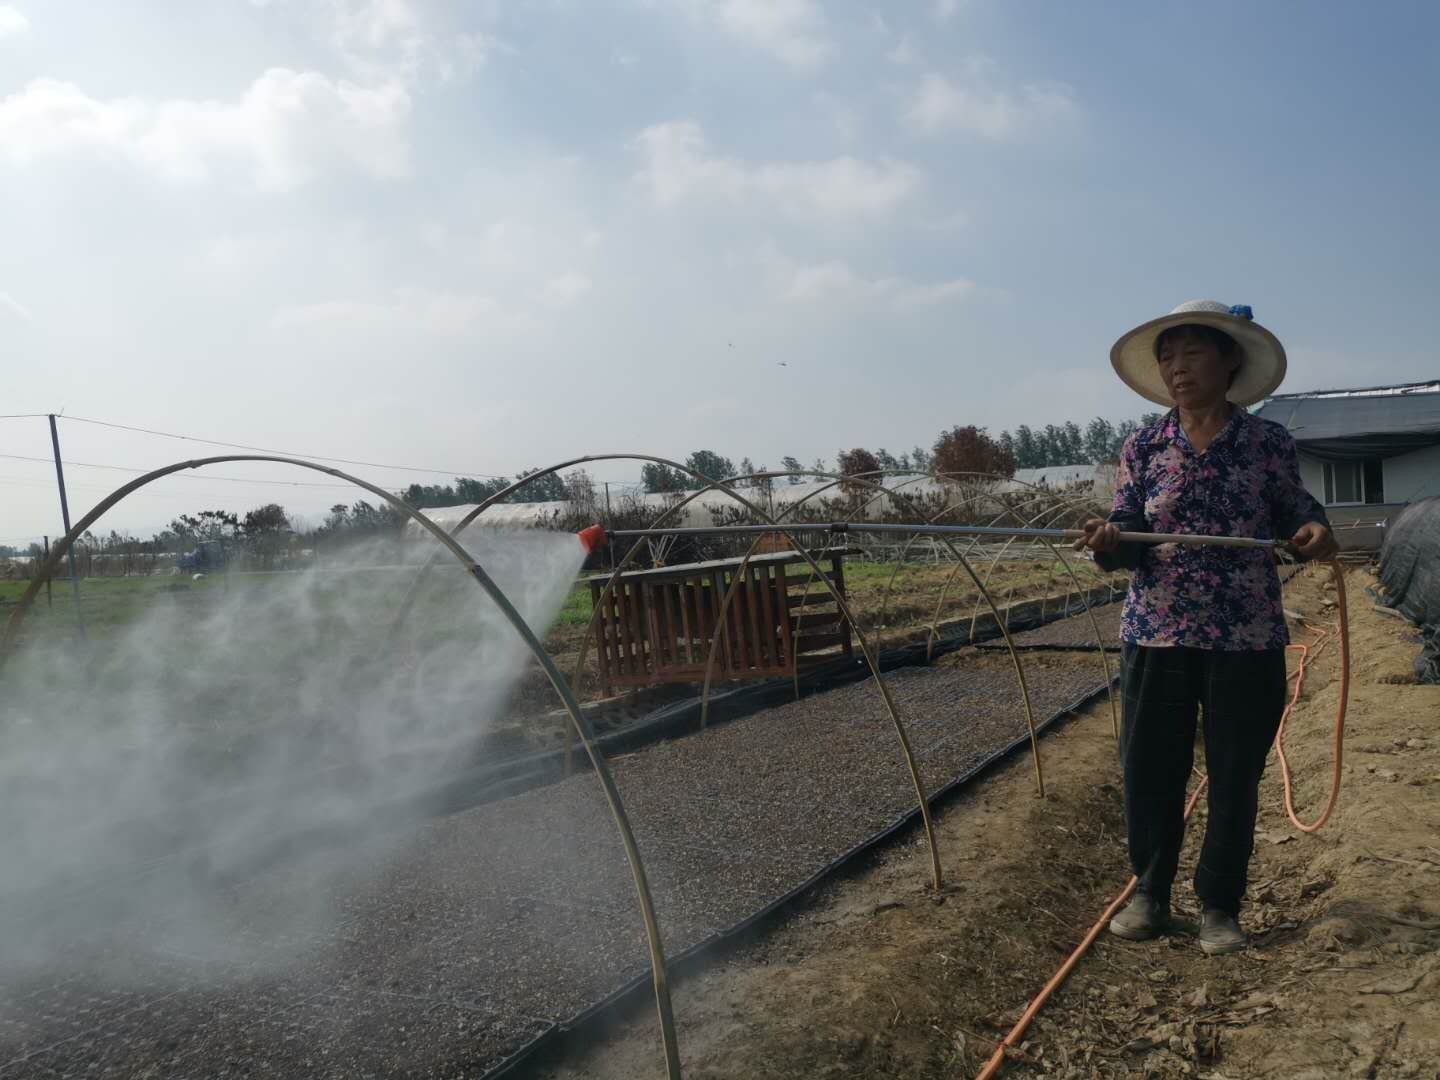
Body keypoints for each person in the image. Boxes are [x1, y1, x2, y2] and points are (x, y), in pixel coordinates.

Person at [1074, 299, 1337, 956]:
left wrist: (1313, 532)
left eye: (1192, 353)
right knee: (1151, 770)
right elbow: (1127, 532)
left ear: (1229, 363)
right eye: (1167, 355)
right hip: (1157, 631)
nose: (1177, 367)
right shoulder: (1144, 446)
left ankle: (1220, 906)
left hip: (1245, 636)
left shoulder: (1266, 443)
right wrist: (1109, 539)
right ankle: (1152, 895)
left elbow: (1296, 511)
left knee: (1235, 771)